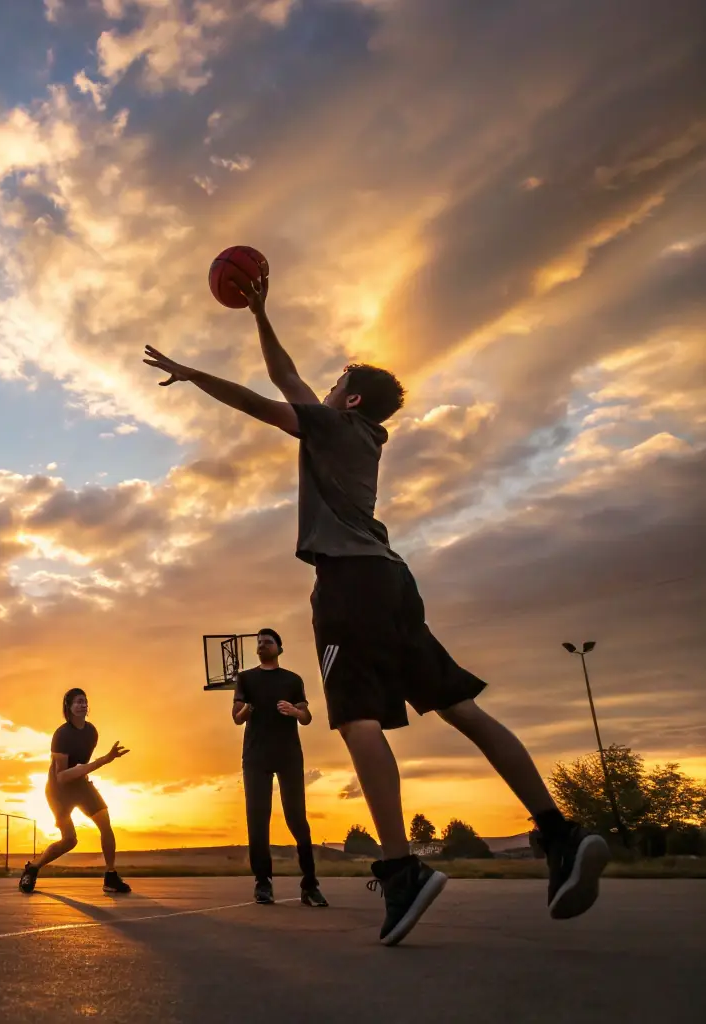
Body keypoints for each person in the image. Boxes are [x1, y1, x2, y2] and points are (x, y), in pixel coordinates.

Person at [142, 269, 608, 947]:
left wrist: (191, 373)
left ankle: (400, 871)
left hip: (348, 587)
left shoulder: (332, 427)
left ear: (350, 398)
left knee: (358, 719)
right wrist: (259, 314)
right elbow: (289, 378)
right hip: (394, 581)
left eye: (333, 388)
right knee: (460, 707)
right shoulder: (356, 433)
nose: (320, 392)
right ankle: (560, 833)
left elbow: (263, 400)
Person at [232, 628, 327, 908]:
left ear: (279, 648)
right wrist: (246, 710)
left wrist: (296, 712)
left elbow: (307, 716)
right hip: (256, 757)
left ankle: (310, 884)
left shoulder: (292, 680)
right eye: (259, 642)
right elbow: (236, 718)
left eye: (268, 642)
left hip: (288, 755)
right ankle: (263, 882)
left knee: (297, 818)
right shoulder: (246, 678)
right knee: (258, 819)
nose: (262, 645)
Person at [18, 688, 131, 895]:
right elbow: (61, 776)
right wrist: (102, 761)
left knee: (105, 824)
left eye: (85, 701)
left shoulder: (91, 732)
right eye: (78, 702)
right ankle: (33, 868)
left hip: (80, 784)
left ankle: (111, 876)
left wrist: (88, 770)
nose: (83, 705)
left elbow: (82, 765)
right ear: (68, 707)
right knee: (69, 840)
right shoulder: (61, 735)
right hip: (58, 790)